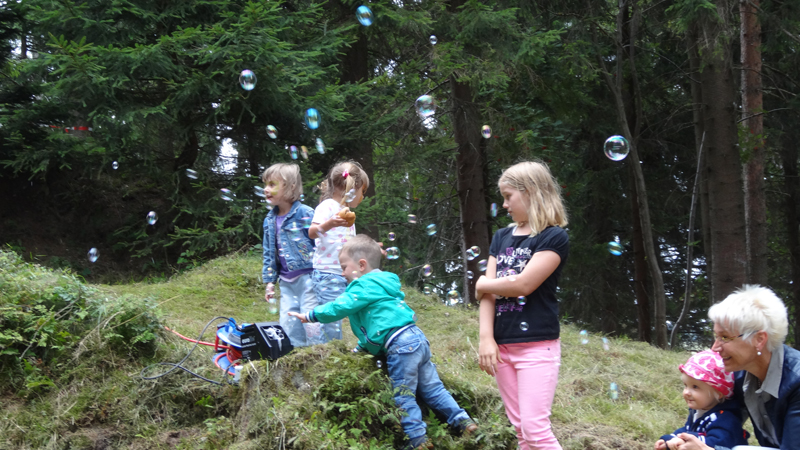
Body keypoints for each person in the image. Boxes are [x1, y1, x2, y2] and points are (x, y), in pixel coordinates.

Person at [288, 235, 478, 450]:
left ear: (361, 265)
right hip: (417, 338)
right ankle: (464, 422)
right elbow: (380, 324)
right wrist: (360, 348)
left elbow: (338, 307)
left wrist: (311, 315)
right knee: (434, 389)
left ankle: (418, 439)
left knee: (404, 395)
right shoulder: (385, 284)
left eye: (344, 267)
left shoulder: (362, 286)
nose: (342, 273)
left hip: (400, 346)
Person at [474, 161, 569, 450]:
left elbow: (524, 284)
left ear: (530, 192)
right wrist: (486, 338)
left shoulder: (553, 237)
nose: (504, 204)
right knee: (521, 432)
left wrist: (483, 283)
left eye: (508, 196)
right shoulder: (501, 237)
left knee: (535, 429)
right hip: (502, 347)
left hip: (537, 346)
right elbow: (488, 295)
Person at [675, 285, 800, 450]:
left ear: (759, 339)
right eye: (716, 336)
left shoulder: (796, 381)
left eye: (725, 337)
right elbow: (712, 416)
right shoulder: (739, 374)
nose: (714, 347)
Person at [307, 160, 369, 343]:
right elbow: (312, 232)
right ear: (351, 189)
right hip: (328, 273)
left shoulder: (346, 212)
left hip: (343, 274)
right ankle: (328, 351)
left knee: (341, 314)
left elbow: (347, 244)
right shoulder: (327, 207)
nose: (362, 197)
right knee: (331, 318)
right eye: (362, 191)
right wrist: (329, 224)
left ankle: (334, 348)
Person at [261, 163, 319, 347]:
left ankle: (319, 353)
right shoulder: (269, 220)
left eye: (272, 184)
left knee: (312, 320)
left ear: (291, 187)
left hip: (309, 278)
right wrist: (270, 282)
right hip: (286, 282)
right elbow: (269, 253)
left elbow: (319, 244)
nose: (266, 189)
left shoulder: (306, 213)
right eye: (265, 184)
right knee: (288, 323)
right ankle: (296, 354)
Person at [654, 350, 748, 450]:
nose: (686, 392)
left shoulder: (726, 419)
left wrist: (682, 440)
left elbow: (715, 443)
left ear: (719, 393)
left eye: (695, 387)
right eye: (686, 385)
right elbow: (687, 430)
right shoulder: (699, 411)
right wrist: (670, 439)